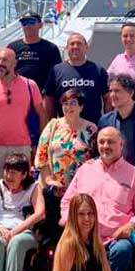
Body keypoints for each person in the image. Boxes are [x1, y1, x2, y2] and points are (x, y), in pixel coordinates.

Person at [60, 126, 135, 271]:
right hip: (84, 237)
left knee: (123, 250)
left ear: (121, 144)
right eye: (101, 142)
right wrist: (72, 223)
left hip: (115, 239)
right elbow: (67, 202)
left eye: (111, 142)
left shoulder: (134, 175)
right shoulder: (85, 170)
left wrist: (131, 226)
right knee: (67, 246)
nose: (105, 146)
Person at [0, 48, 45, 184]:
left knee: (22, 188)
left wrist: (40, 143)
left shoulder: (30, 85)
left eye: (4, 60)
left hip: (22, 145)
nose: (0, 63)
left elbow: (41, 114)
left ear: (14, 63)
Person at [35, 89, 97, 240]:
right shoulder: (53, 125)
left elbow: (97, 157)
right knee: (55, 235)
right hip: (56, 190)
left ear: (81, 107)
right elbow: (41, 156)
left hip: (81, 190)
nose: (69, 107)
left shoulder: (91, 129)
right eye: (65, 103)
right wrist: (49, 180)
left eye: (73, 103)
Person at [43, 33, 109, 125]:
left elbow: (107, 98)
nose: (75, 47)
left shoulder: (98, 70)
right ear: (67, 48)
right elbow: (49, 99)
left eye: (79, 44)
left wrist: (107, 123)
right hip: (65, 129)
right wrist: (52, 124)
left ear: (86, 48)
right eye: (72, 44)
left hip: (93, 129)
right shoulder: (56, 70)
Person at [98, 74, 135, 169]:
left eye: (117, 91)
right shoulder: (105, 121)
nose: (112, 95)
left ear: (131, 93)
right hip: (113, 177)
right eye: (110, 91)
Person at [7, 11, 62, 91]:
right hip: (17, 93)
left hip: (41, 95)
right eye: (24, 23)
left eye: (31, 22)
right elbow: (7, 71)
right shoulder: (12, 47)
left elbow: (56, 74)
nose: (28, 25)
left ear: (40, 25)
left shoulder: (51, 48)